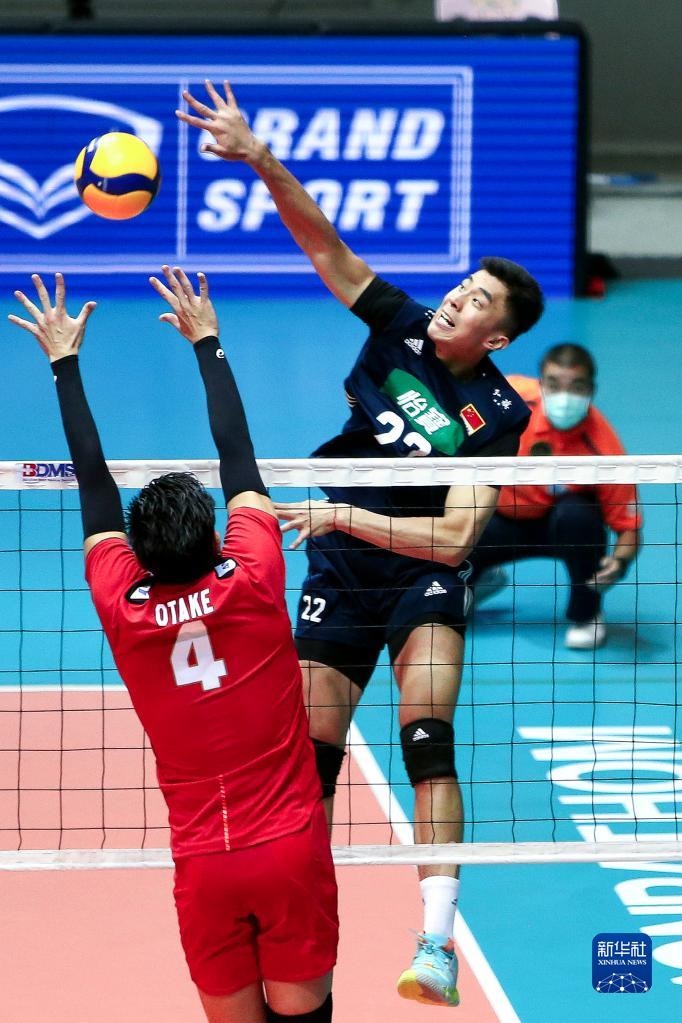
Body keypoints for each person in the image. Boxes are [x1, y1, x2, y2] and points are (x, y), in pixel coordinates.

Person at [176, 80, 544, 1008]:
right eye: (461, 284)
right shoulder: (401, 325)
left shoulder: (500, 414)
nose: (456, 298)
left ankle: (436, 942)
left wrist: (343, 515)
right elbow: (325, 246)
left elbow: (454, 538)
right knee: (309, 761)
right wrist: (258, 156)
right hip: (340, 566)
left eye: (477, 299)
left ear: (496, 337)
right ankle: (301, 918)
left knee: (427, 736)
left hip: (416, 569)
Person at [8, 268, 338, 1023]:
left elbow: (94, 488)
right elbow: (238, 457)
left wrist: (63, 362)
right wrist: (207, 342)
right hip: (289, 850)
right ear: (215, 536)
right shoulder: (253, 575)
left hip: (204, 868)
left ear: (140, 555)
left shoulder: (123, 607)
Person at [471, 342, 642, 648]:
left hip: (559, 528)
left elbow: (629, 527)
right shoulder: (510, 399)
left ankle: (586, 613)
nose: (564, 396)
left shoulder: (604, 450)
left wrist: (619, 563)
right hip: (494, 521)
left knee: (578, 515)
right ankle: (478, 579)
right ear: (541, 384)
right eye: (553, 384)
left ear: (591, 390)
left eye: (576, 386)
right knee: (450, 512)